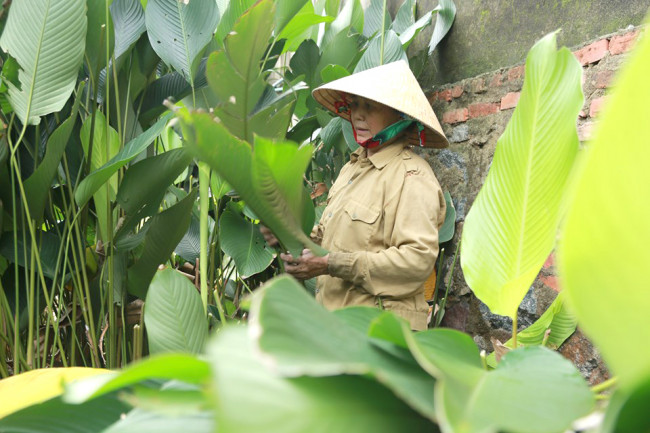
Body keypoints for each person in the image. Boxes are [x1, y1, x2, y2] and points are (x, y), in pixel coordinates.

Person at [265, 61, 448, 331]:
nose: (358, 116)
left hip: (382, 334)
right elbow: (327, 238)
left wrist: (330, 264)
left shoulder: (412, 177)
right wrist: (288, 235)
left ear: (398, 114)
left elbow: (416, 261)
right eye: (354, 105)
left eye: (370, 106)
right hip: (337, 328)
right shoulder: (352, 169)